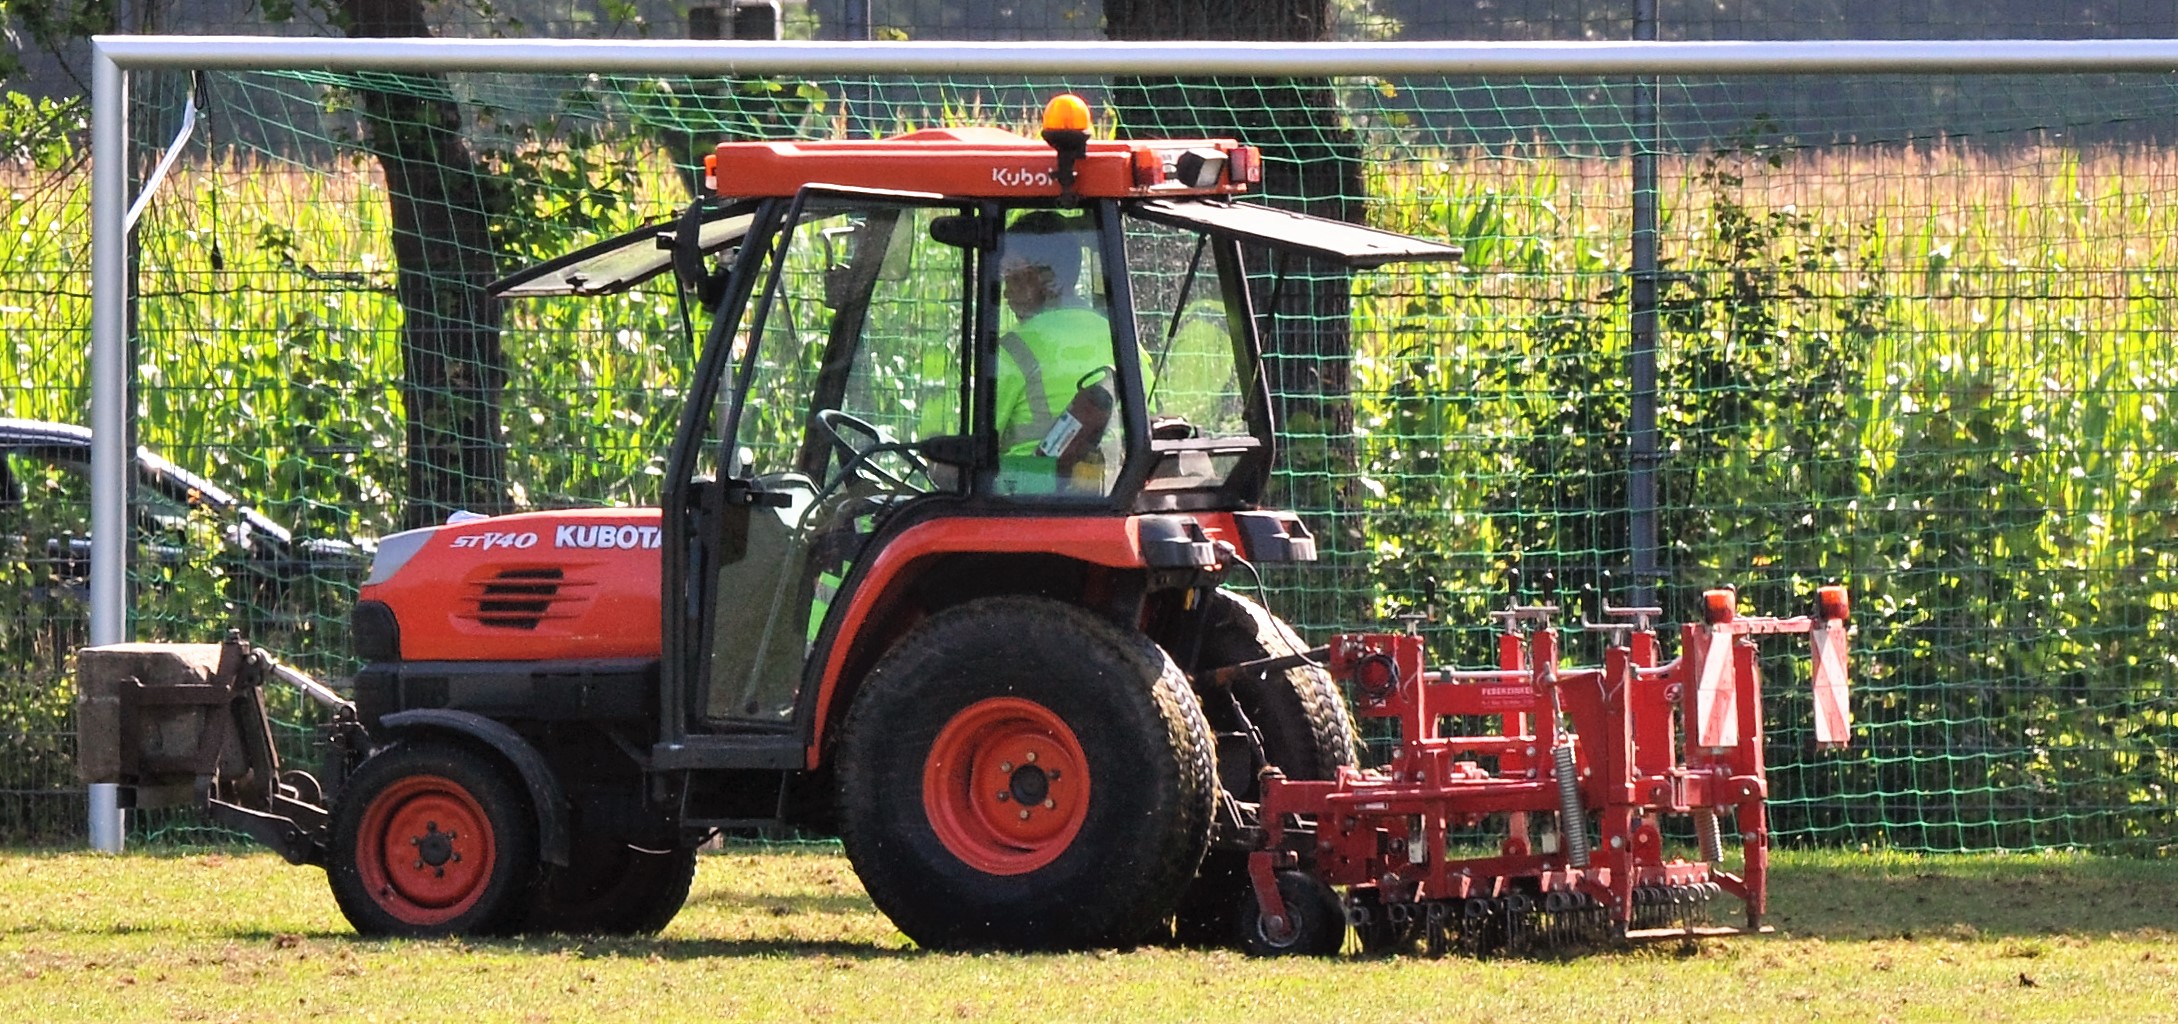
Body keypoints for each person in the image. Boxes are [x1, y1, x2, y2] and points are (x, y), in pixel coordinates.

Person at [991, 211, 1115, 465]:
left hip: (1023, 497)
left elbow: (974, 446)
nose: (1005, 292)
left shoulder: (1013, 351)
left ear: (1048, 279)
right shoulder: (1124, 343)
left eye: (1013, 276)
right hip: (1110, 489)